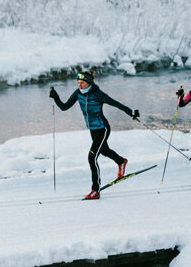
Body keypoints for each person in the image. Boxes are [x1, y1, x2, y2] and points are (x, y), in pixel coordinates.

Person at [50, 71, 139, 199]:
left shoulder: (98, 95)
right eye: (78, 83)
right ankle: (121, 161)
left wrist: (131, 112)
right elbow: (64, 107)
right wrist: (56, 97)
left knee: (92, 158)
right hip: (92, 129)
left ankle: (95, 190)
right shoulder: (78, 93)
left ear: (89, 83)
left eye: (82, 83)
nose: (79, 85)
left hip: (103, 128)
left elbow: (116, 104)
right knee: (104, 150)